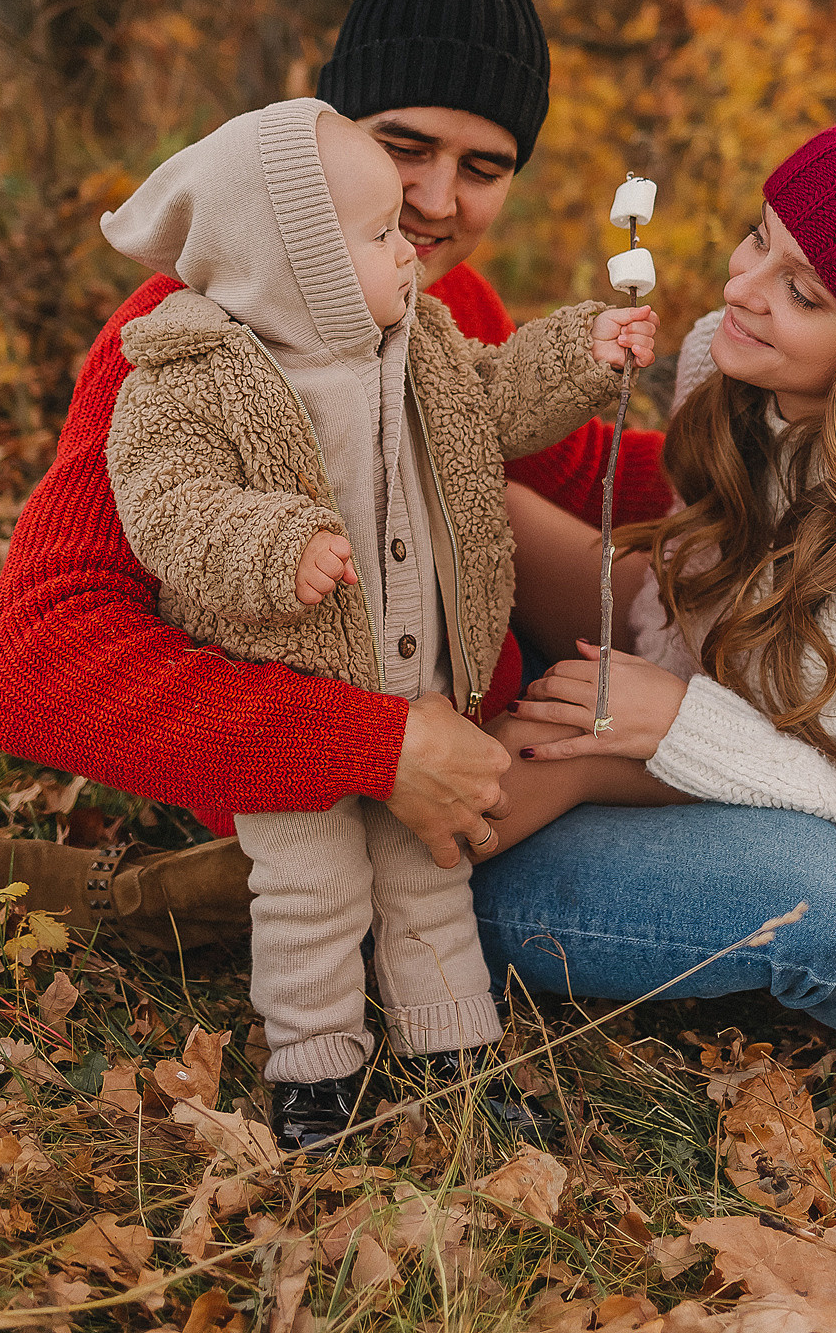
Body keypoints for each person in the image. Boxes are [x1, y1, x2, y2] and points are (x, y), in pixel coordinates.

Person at [0, 0, 671, 949]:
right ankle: (204, 895)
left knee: (543, 529)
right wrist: (371, 749)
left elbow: (568, 467)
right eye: (405, 147)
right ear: (326, 130)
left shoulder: (438, 295)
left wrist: (772, 448)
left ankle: (234, 900)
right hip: (303, 760)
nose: (435, 202)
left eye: (482, 167)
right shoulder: (177, 336)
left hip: (464, 721)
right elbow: (33, 665)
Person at [96, 98, 655, 1146]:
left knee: (428, 878)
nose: (411, 251)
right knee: (308, 896)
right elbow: (166, 506)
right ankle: (314, 1072)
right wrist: (274, 545)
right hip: (290, 705)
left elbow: (496, 399)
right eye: (382, 233)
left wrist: (583, 351)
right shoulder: (186, 379)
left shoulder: (422, 343)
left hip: (424, 694)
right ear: (293, 259)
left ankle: (453, 1053)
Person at [473, 44, 836, 1049]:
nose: (744, 288)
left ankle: (355, 898)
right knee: (479, 508)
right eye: (757, 240)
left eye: (805, 293)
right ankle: (351, 831)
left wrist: (668, 736)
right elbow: (693, 602)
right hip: (766, 725)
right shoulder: (735, 366)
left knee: (799, 897)